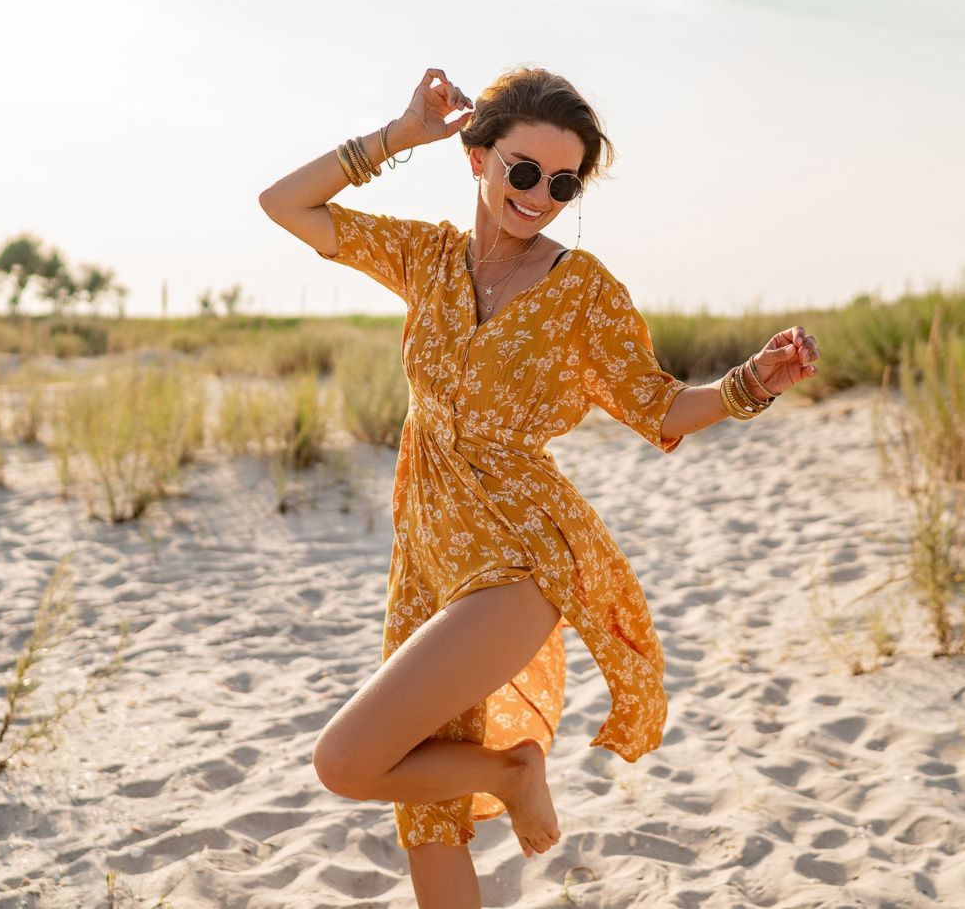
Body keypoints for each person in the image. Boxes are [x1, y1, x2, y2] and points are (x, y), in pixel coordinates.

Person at [259, 67, 820, 909]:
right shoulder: (426, 257)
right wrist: (400, 136)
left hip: (521, 555)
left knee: (345, 759)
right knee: (427, 816)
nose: (541, 194)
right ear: (478, 158)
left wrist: (754, 379)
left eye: (564, 182)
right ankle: (506, 773)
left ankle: (514, 772)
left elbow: (659, 405)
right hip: (427, 554)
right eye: (524, 170)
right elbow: (284, 205)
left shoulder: (583, 291)